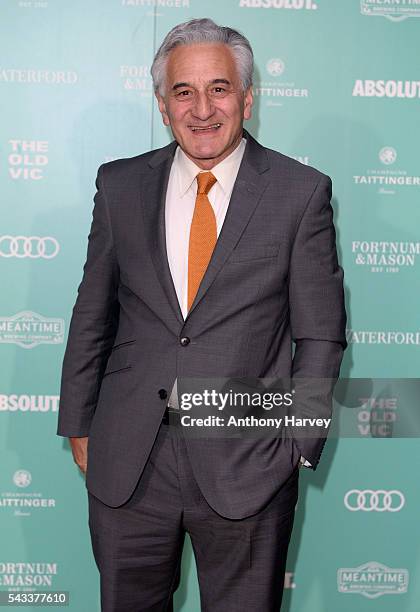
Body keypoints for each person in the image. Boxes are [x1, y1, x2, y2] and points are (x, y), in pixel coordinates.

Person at [57, 17, 346, 612]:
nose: (203, 109)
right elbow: (93, 312)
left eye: (219, 88)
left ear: (247, 98)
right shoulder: (119, 185)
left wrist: (298, 441)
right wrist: (79, 423)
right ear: (163, 106)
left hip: (250, 459)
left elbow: (320, 334)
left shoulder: (301, 192)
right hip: (130, 459)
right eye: (183, 92)